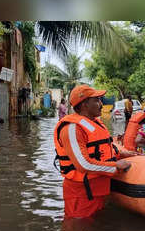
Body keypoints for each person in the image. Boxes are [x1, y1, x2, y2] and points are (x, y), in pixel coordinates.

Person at [53, 84, 137, 219]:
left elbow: (103, 148)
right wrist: (116, 166)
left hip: (97, 188)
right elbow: (83, 164)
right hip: (81, 193)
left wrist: (120, 153)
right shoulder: (72, 129)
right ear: (85, 104)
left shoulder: (95, 123)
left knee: (96, 228)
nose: (101, 104)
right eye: (97, 100)